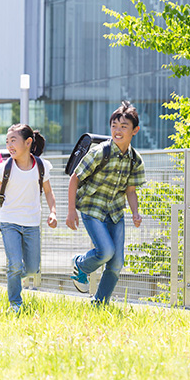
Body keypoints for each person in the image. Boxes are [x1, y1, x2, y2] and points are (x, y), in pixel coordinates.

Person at [66, 101, 146, 305]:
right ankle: (80, 264)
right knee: (106, 251)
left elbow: (131, 190)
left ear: (135, 130)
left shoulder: (135, 160)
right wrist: (70, 211)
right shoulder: (100, 152)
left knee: (117, 262)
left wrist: (135, 212)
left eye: (123, 127)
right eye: (114, 126)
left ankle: (100, 303)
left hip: (115, 212)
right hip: (92, 207)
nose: (117, 131)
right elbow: (74, 178)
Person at [0, 124, 57, 312]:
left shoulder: (41, 166)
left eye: (13, 140)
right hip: (9, 222)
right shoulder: (4, 168)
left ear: (28, 142)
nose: (9, 145)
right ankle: (15, 303)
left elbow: (49, 192)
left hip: (32, 224)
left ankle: (13, 276)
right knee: (14, 264)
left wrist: (53, 212)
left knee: (31, 268)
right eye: (7, 141)